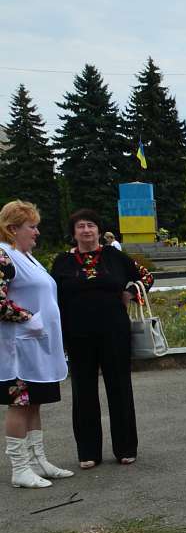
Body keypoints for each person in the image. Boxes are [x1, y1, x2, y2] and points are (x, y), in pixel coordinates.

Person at [52, 209, 154, 469]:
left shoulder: (115, 256)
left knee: (119, 389)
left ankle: (125, 447)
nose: (86, 230)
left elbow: (146, 277)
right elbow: (54, 297)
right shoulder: (62, 262)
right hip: (77, 335)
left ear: (99, 230)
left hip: (114, 333)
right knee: (83, 392)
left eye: (91, 225)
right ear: (73, 233)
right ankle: (88, 452)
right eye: (80, 226)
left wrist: (131, 291)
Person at [1, 201, 73, 488]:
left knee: (35, 404)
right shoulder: (4, 257)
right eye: (31, 226)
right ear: (12, 228)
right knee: (20, 404)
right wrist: (28, 318)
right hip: (18, 348)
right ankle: (19, 468)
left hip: (37, 346)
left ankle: (38, 459)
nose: (37, 231)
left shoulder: (28, 257)